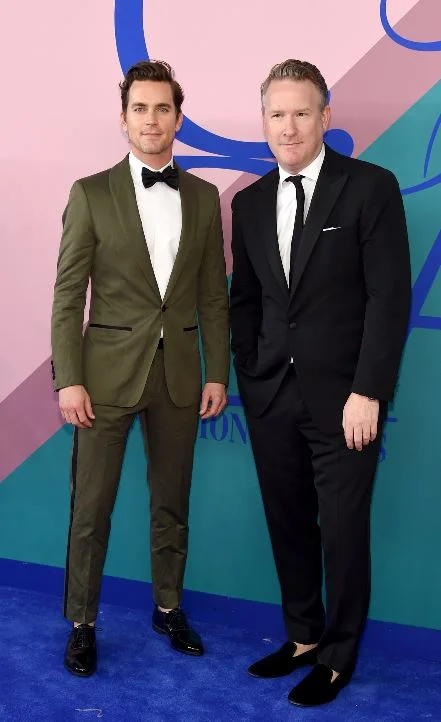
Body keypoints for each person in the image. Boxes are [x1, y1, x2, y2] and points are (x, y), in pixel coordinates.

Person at [229, 59, 411, 707]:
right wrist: (251, 374)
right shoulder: (248, 203)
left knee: (341, 529)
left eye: (301, 113)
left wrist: (369, 390)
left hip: (346, 401)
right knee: (288, 522)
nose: (289, 127)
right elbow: (245, 302)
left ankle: (338, 655)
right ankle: (303, 636)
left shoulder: (369, 187)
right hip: (270, 395)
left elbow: (388, 298)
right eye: (276, 114)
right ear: (264, 121)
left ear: (324, 116)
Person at [51, 60, 229, 677]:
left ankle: (168, 607)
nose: (152, 119)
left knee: (171, 501)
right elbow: (68, 296)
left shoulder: (204, 197)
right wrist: (68, 379)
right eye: (140, 108)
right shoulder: (90, 193)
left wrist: (216, 371)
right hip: (102, 379)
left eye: (162, 108)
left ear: (178, 118)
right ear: (123, 118)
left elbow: (213, 296)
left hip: (179, 375)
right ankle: (81, 622)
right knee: (91, 507)